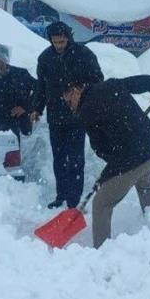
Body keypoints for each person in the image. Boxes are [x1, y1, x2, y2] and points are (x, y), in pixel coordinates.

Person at [62, 75, 150, 248]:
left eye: (69, 102)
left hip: (135, 157)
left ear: (76, 91)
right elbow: (148, 81)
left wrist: (110, 171)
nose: (70, 107)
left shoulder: (85, 112)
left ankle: (103, 250)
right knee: (144, 182)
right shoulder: (111, 85)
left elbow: (102, 148)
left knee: (101, 203)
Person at [30, 21, 104, 209]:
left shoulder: (84, 55)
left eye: (62, 42)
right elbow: (41, 86)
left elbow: (98, 80)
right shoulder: (45, 58)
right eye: (55, 42)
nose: (59, 46)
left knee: (76, 159)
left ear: (69, 38)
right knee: (59, 159)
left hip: (77, 116)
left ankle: (74, 198)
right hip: (55, 117)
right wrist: (37, 109)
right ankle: (60, 195)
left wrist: (80, 89)